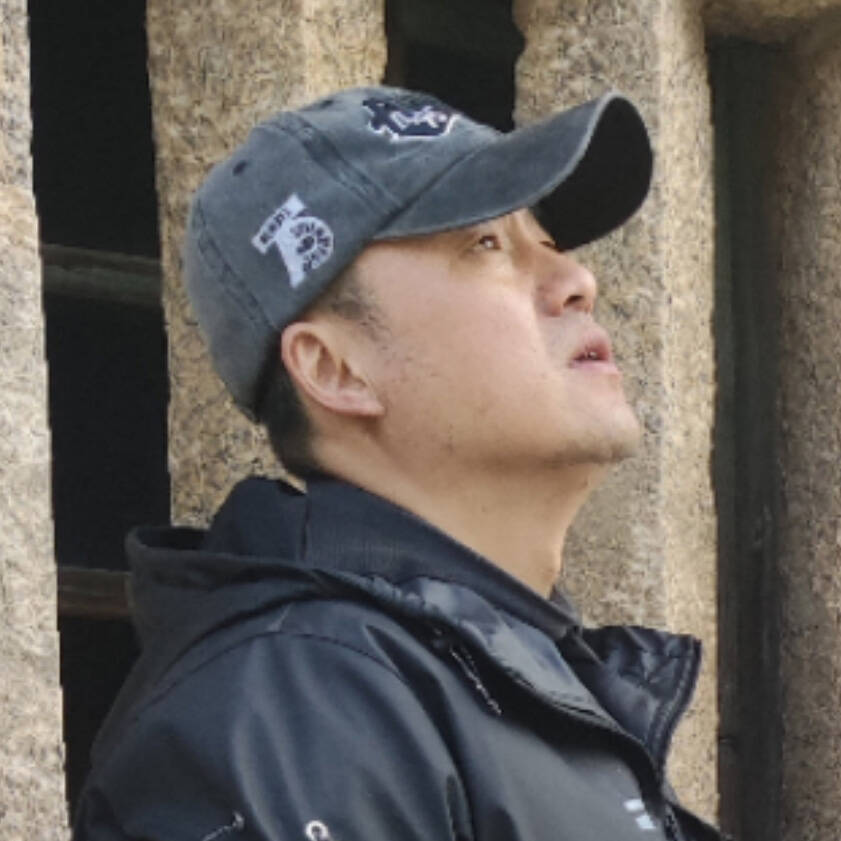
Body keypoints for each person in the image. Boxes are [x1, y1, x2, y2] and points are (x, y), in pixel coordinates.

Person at [74, 86, 721, 841]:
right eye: (486, 244)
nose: (577, 281)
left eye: (545, 238)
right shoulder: (301, 707)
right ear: (335, 369)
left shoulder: (496, 681)